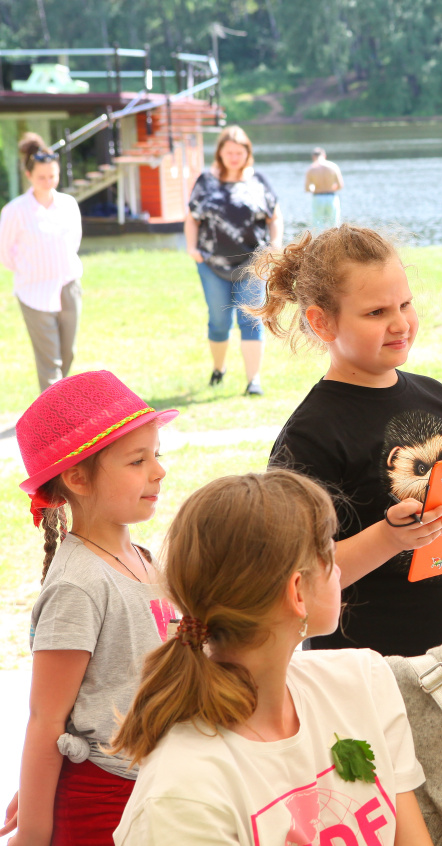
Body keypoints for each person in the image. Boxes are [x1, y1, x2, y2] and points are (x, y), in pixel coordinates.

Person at [111, 470, 433, 845]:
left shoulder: (364, 681)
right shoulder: (182, 796)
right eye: (328, 551)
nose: (338, 568)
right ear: (297, 592)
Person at [256, 224, 442, 657]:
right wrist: (389, 538)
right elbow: (296, 577)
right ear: (321, 322)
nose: (400, 323)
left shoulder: (437, 396)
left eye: (405, 304)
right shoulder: (309, 437)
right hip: (364, 674)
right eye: (376, 313)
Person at [1, 370, 178, 845]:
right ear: (77, 478)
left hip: (158, 786)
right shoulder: (78, 586)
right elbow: (46, 720)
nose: (158, 471)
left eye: (156, 455)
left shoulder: (143, 559)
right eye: (138, 460)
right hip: (104, 805)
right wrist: (33, 833)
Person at [185, 125, 282, 396]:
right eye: (229, 152)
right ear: (220, 153)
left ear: (247, 153)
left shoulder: (258, 181)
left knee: (251, 319)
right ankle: (219, 369)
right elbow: (192, 219)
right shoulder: (206, 182)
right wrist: (191, 248)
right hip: (212, 264)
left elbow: (275, 217)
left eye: (239, 152)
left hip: (253, 264)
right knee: (219, 321)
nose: (234, 157)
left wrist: (275, 244)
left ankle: (253, 381)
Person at [0, 133, 83, 392]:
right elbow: (5, 252)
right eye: (41, 177)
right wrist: (30, 269)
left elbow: (75, 241)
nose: (47, 182)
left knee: (68, 353)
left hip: (68, 287)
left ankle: (56, 403)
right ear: (29, 175)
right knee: (50, 363)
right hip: (34, 292)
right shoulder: (15, 210)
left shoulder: (68, 204)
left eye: (52, 176)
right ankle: (55, 412)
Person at [305, 147, 344, 231]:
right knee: (335, 225)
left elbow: (307, 188)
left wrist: (313, 188)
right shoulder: (333, 166)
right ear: (324, 156)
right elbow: (340, 185)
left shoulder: (311, 168)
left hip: (318, 198)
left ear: (313, 157)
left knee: (317, 226)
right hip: (331, 197)